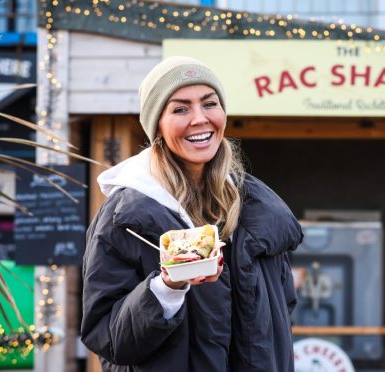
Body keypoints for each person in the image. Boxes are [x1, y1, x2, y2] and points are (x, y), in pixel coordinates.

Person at [81, 56, 303, 372]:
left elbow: (281, 312)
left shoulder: (257, 208)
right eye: (180, 109)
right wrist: (167, 287)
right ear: (157, 124)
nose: (199, 119)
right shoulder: (126, 217)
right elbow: (107, 337)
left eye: (209, 104)